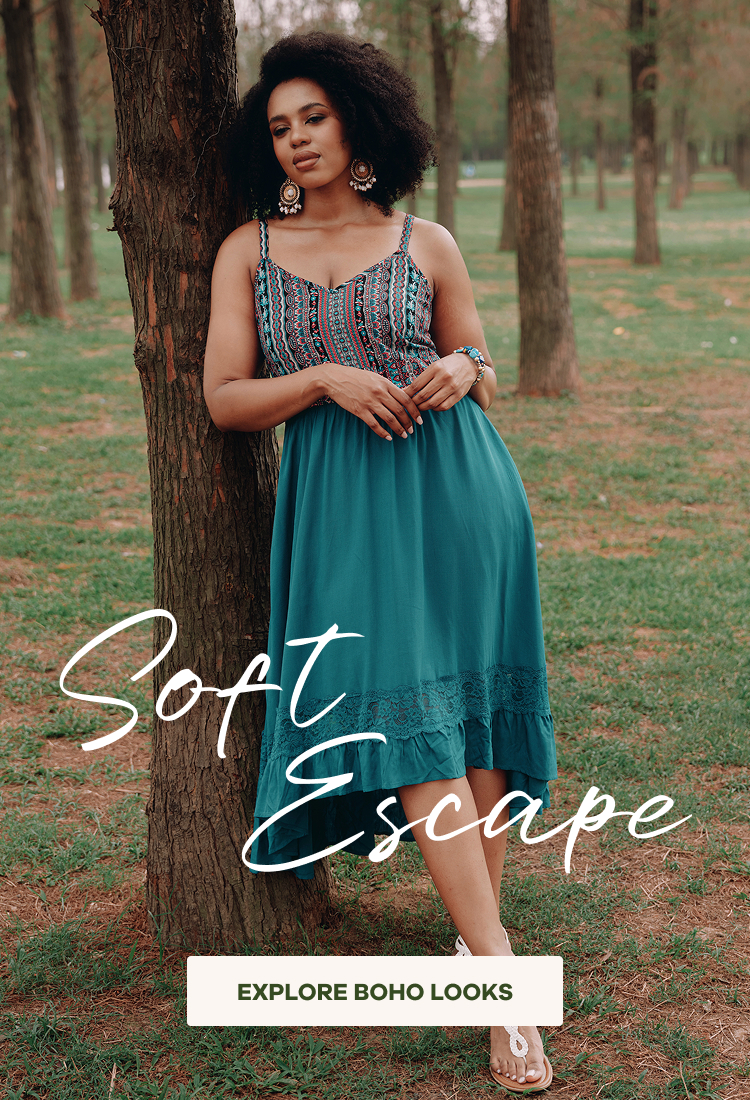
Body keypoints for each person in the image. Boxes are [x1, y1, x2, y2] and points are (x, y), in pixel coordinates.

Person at [204, 31, 557, 1093]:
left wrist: (460, 364)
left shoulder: (427, 238)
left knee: (477, 716)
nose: (299, 139)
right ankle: (503, 981)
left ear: (356, 123)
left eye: (314, 118)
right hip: (348, 511)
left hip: (463, 492)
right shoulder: (249, 251)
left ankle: (476, 958)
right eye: (279, 127)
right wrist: (321, 381)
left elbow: (482, 357)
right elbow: (224, 398)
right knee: (409, 725)